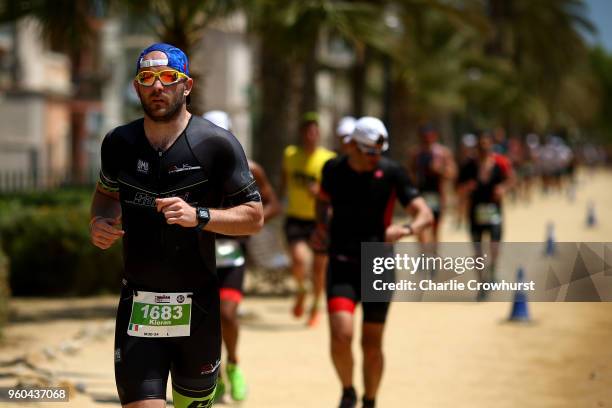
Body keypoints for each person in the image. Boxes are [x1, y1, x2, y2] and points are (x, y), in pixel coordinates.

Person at [90, 43, 263, 408]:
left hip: (197, 307)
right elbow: (105, 194)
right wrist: (99, 222)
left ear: (187, 86)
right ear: (136, 87)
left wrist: (199, 217)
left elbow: (254, 216)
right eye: (147, 79)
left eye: (168, 78)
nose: (157, 87)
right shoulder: (118, 143)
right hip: (138, 304)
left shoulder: (216, 143)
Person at [313, 117, 432, 408]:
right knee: (341, 334)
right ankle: (348, 392)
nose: (374, 159)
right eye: (369, 152)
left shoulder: (392, 173)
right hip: (341, 260)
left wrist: (405, 230)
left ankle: (370, 399)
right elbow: (322, 199)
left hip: (378, 264)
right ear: (351, 145)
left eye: (379, 152)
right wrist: (321, 226)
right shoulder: (333, 169)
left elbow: (425, 214)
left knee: (371, 343)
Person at [202, 110, 281, 402]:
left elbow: (272, 205)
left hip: (233, 255)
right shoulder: (190, 167)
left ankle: (233, 365)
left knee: (228, 314)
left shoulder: (251, 168)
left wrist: (250, 223)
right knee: (203, 322)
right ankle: (215, 376)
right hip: (199, 255)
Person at [281, 112, 336, 326]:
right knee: (299, 260)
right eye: (307, 130)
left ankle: (315, 307)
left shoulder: (328, 158)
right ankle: (302, 291)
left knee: (319, 268)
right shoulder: (290, 154)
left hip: (319, 219)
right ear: (302, 133)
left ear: (319, 134)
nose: (311, 134)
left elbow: (335, 192)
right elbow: (284, 180)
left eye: (314, 130)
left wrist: (321, 193)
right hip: (295, 217)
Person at [456, 130, 513, 299]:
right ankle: (481, 285)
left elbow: (511, 179)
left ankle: (493, 269)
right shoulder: (468, 166)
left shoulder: (500, 163)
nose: (484, 149)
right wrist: (466, 188)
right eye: (481, 146)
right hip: (475, 212)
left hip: (494, 211)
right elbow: (457, 187)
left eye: (487, 146)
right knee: (478, 250)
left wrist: (503, 188)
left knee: (494, 245)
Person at [407, 124, 456, 250]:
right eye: (424, 137)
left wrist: (440, 170)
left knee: (435, 229)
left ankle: (433, 260)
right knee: (421, 228)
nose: (427, 139)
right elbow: (409, 174)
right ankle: (423, 258)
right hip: (420, 196)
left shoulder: (443, 153)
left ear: (435, 136)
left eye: (429, 136)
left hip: (437, 196)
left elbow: (452, 173)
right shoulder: (415, 154)